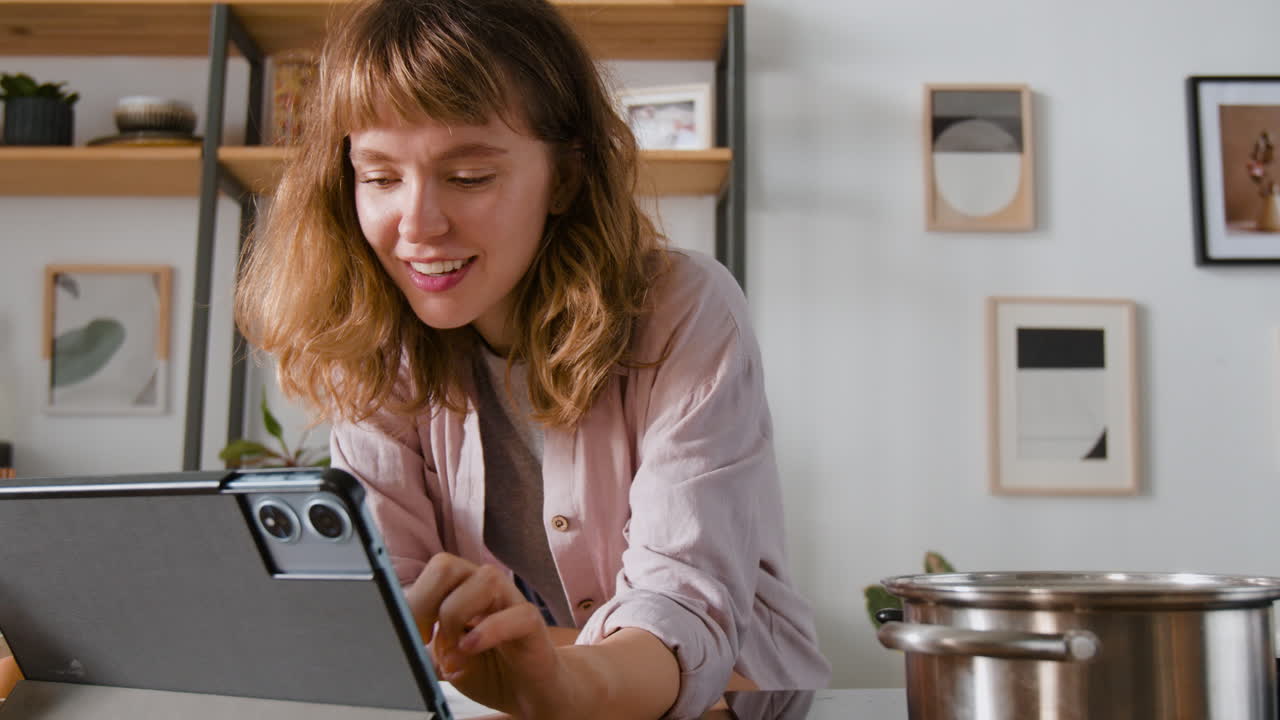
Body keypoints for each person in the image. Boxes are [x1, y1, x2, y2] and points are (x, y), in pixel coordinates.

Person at [234, 0, 830, 717]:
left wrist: (554, 681)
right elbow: (394, 601)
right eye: (381, 178)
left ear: (567, 176)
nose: (417, 225)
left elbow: (681, 611)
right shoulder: (380, 347)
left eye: (469, 176)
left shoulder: (683, 307)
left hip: (728, 699)